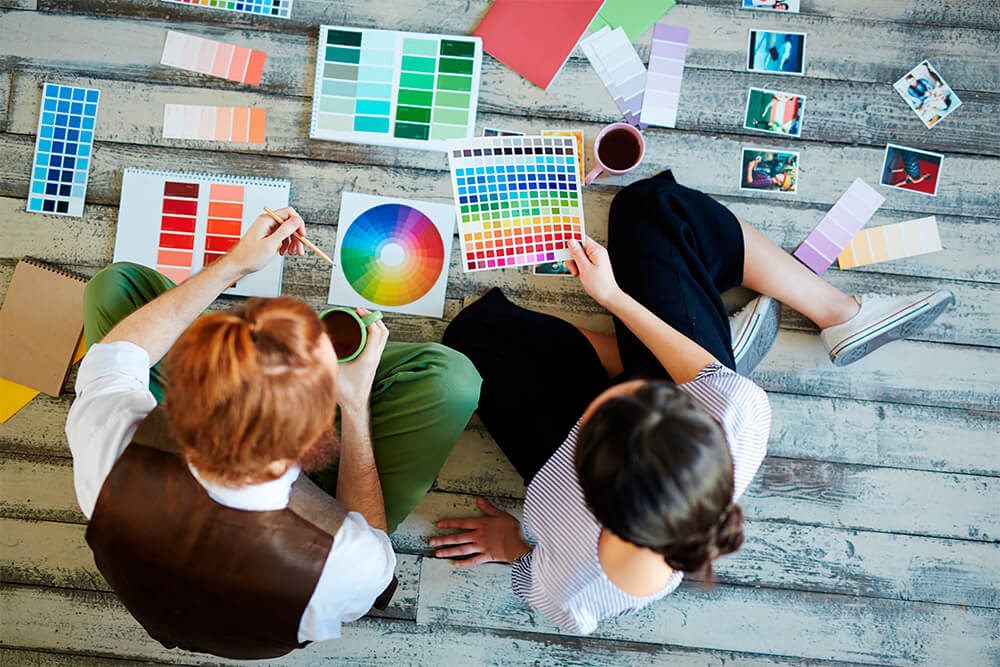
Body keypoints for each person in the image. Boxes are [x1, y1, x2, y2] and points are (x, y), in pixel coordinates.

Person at [430, 171, 954, 634]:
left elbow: (528, 575)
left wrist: (508, 546)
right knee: (650, 206)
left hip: (556, 454)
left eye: (601, 413)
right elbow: (696, 372)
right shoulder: (738, 412)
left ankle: (709, 342)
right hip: (692, 393)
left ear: (588, 479)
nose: (604, 403)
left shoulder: (573, 596)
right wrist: (612, 295)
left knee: (471, 340)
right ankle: (837, 313)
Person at [66, 208, 481, 659]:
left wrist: (234, 265)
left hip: (160, 583)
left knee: (116, 286)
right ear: (317, 441)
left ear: (186, 386)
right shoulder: (343, 558)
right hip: (284, 572)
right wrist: (355, 404)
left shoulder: (111, 436)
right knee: (452, 381)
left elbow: (119, 354)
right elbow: (377, 559)